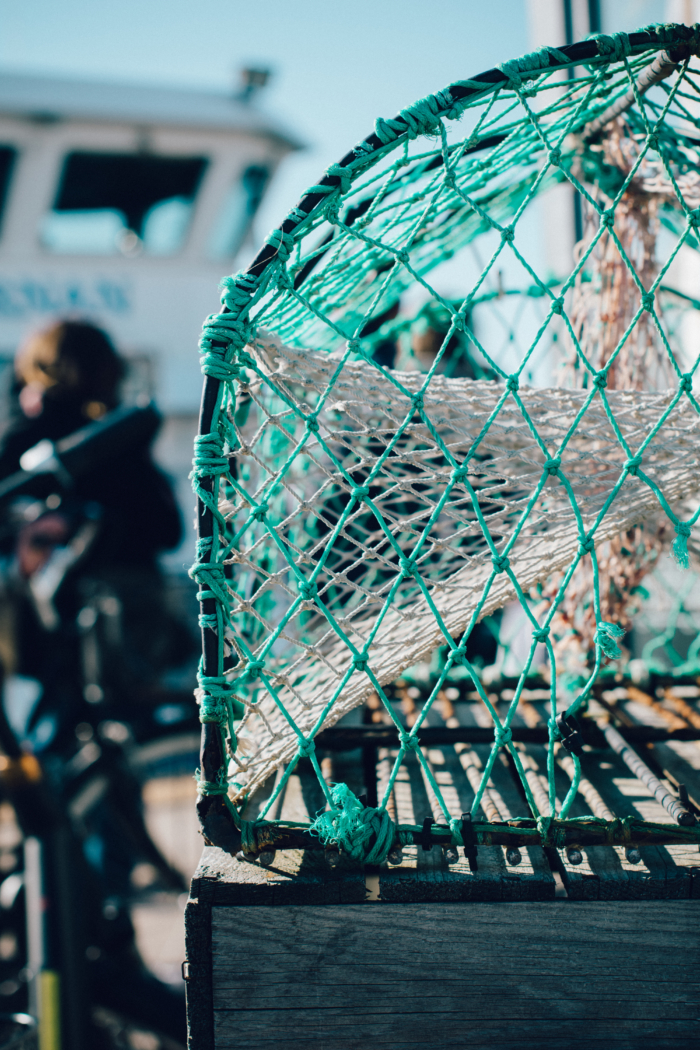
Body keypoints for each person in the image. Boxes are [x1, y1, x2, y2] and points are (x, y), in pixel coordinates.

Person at [0, 320, 190, 1046]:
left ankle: (85, 940)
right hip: (99, 647)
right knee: (82, 783)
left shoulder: (30, 435)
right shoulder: (114, 438)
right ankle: (95, 939)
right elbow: (165, 531)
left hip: (47, 647)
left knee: (63, 782)